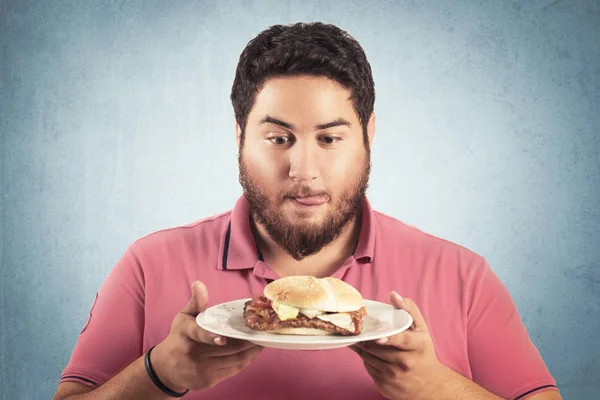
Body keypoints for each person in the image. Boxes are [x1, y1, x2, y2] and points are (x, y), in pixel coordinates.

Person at [53, 22, 562, 400]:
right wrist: (158, 374)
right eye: (278, 138)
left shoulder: (462, 275)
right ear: (239, 138)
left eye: (329, 138)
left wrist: (434, 386)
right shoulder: (149, 264)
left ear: (369, 136)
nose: (304, 169)